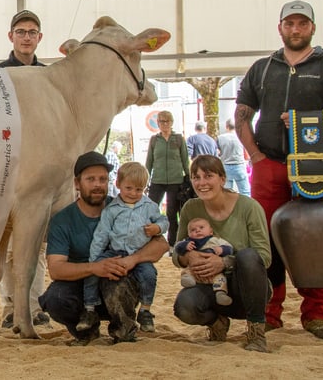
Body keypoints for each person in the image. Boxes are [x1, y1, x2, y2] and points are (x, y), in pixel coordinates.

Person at [235, 0, 323, 340]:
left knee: (318, 237)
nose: (295, 29)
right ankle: (269, 313)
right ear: (280, 27)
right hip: (269, 164)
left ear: (312, 28)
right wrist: (254, 154)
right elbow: (242, 114)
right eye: (289, 24)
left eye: (302, 24)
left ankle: (316, 314)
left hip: (316, 167)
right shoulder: (262, 67)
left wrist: (319, 119)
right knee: (265, 240)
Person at [38, 152, 168, 345]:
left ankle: (123, 329)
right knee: (55, 298)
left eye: (102, 179)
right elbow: (56, 269)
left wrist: (132, 260)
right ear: (77, 183)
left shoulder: (126, 207)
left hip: (119, 281)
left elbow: (161, 245)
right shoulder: (63, 220)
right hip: (82, 285)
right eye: (90, 179)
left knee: (120, 284)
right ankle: (86, 332)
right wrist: (94, 268)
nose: (98, 184)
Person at [172, 155, 272, 352]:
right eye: (196, 177)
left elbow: (264, 257)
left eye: (208, 176)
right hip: (208, 283)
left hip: (246, 287)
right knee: (184, 308)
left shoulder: (249, 207)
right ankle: (217, 322)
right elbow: (177, 254)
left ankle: (256, 332)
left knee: (248, 256)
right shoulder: (190, 208)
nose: (201, 183)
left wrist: (224, 262)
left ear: (222, 179)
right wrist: (188, 256)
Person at [0, 9, 49, 328]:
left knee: (36, 244)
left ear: (39, 38)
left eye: (32, 32)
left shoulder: (49, 75)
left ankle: (33, 304)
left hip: (39, 172)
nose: (26, 37)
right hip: (4, 167)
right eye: (21, 31)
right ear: (11, 36)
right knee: (3, 243)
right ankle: (8, 307)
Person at [77, 162, 167, 334]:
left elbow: (163, 221)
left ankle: (145, 310)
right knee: (92, 273)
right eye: (129, 188)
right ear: (118, 184)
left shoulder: (149, 207)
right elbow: (101, 235)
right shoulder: (112, 210)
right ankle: (89, 309)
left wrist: (157, 228)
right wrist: (94, 260)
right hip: (115, 252)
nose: (133, 193)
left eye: (139, 190)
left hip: (139, 252)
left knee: (149, 274)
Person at [146, 110, 190, 247]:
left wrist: (189, 177)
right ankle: (152, 241)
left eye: (167, 121)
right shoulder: (154, 140)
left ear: (172, 123)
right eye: (161, 121)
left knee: (172, 213)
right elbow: (149, 161)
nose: (165, 124)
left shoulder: (178, 139)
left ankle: (172, 243)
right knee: (151, 210)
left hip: (175, 180)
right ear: (157, 123)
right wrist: (145, 178)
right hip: (157, 180)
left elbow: (185, 160)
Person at [174, 217, 234, 306]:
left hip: (214, 272)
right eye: (193, 230)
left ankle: (220, 294)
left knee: (221, 279)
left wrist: (221, 249)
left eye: (201, 228)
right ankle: (188, 281)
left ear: (211, 231)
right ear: (189, 234)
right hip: (195, 270)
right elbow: (177, 248)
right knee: (187, 272)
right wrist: (185, 246)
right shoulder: (189, 242)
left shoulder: (215, 240)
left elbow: (229, 248)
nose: (197, 230)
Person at [216, 120, 250, 196]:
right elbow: (246, 155)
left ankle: (229, 207)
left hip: (225, 166)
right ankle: (246, 207)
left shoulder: (220, 138)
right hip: (239, 166)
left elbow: (217, 153)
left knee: (227, 192)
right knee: (245, 191)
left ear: (227, 126)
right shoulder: (241, 137)